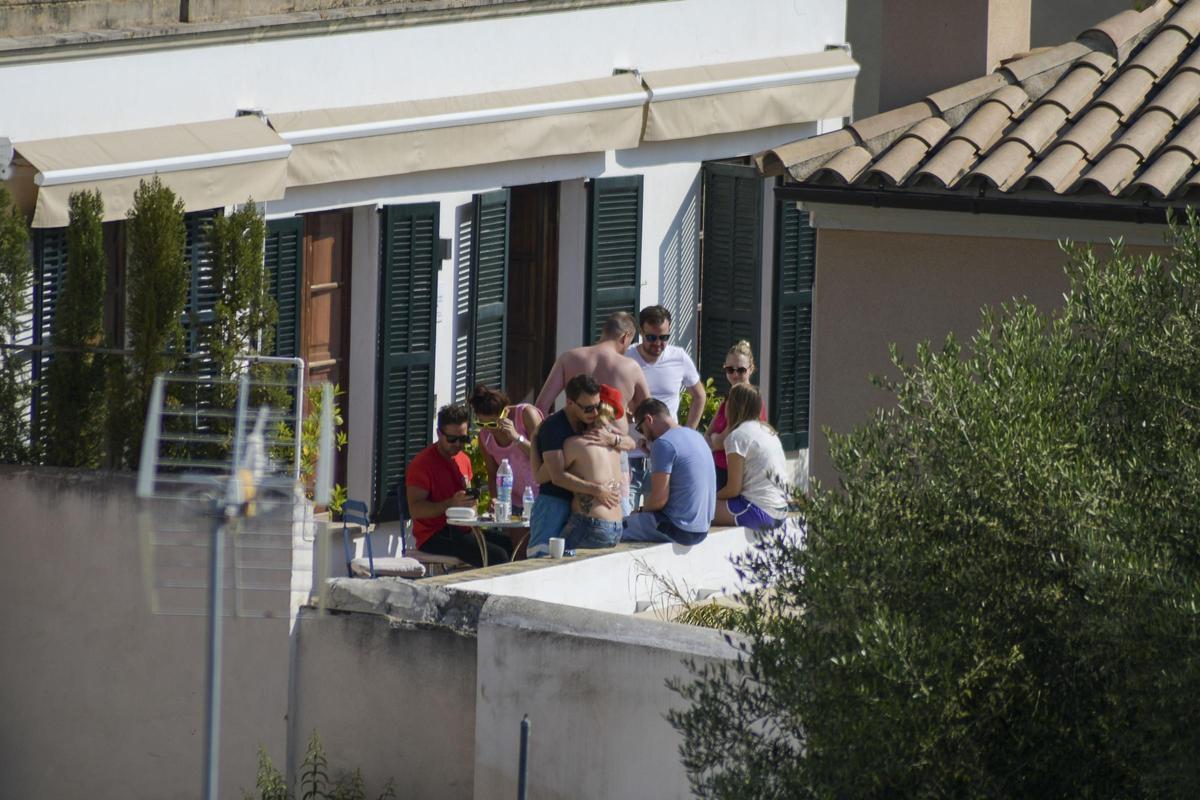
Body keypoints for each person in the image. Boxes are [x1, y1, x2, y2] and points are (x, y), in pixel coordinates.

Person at [534, 311, 648, 514]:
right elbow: (648, 413)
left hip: (572, 447)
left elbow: (541, 406)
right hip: (612, 449)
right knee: (613, 514)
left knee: (573, 515)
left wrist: (544, 446)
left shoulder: (570, 357)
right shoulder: (630, 367)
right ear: (625, 337)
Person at [527, 374, 622, 557]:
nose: (594, 413)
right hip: (553, 503)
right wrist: (597, 489)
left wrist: (615, 439)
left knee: (551, 559)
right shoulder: (555, 428)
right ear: (570, 402)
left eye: (597, 407)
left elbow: (630, 442)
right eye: (588, 408)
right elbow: (551, 476)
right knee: (543, 558)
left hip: (584, 515)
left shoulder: (596, 434)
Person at [406, 404, 510, 568]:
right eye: (452, 439)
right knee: (499, 557)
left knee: (510, 545)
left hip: (463, 529)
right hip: (434, 534)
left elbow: (466, 502)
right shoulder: (422, 464)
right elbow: (415, 510)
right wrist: (450, 504)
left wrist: (480, 506)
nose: (458, 444)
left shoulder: (464, 459)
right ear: (439, 434)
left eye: (463, 439)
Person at [625, 305, 705, 506]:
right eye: (651, 338)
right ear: (641, 333)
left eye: (664, 337)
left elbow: (699, 396)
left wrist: (687, 434)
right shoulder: (626, 358)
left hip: (666, 456)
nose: (658, 343)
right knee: (624, 520)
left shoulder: (679, 357)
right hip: (630, 455)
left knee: (662, 518)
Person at [622, 397, 716, 546]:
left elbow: (659, 500)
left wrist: (639, 510)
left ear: (648, 419)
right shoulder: (696, 436)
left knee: (614, 529)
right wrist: (652, 454)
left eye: (640, 429)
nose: (642, 435)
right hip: (702, 529)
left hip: (679, 529)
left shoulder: (664, 443)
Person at [713, 383, 789, 530]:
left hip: (760, 511)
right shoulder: (768, 431)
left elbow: (733, 489)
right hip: (781, 511)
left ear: (734, 406)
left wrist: (712, 496)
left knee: (700, 508)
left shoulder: (736, 437)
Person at [560, 384, 626, 550]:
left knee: (548, 556)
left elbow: (550, 475)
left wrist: (531, 439)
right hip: (617, 526)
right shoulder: (616, 448)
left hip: (590, 523)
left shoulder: (574, 444)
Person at [468, 383, 543, 517]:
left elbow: (542, 455)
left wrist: (516, 438)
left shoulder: (526, 415)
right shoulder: (485, 437)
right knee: (518, 539)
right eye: (482, 424)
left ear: (506, 412)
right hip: (513, 502)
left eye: (492, 423)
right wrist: (494, 499)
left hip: (542, 497)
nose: (489, 428)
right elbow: (492, 473)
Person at [706, 340, 768, 489]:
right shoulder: (728, 398)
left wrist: (715, 441)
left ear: (751, 369)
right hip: (719, 470)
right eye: (730, 369)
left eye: (740, 370)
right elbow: (708, 435)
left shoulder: (750, 400)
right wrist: (714, 440)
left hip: (738, 475)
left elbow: (725, 441)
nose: (734, 374)